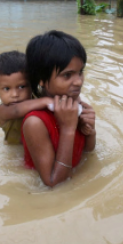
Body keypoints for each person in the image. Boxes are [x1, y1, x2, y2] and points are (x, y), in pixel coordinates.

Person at [21, 30, 96, 187]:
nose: (78, 82)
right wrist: (68, 128)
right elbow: (53, 183)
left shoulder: (74, 103)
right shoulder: (35, 123)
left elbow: (87, 153)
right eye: (67, 75)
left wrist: (90, 130)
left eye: (80, 72)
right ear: (41, 79)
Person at [0, 51, 53, 145]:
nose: (15, 94)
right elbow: (16, 110)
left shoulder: (37, 99)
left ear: (32, 84)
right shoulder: (3, 110)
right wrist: (46, 101)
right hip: (14, 149)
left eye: (21, 87)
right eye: (6, 88)